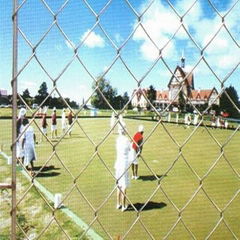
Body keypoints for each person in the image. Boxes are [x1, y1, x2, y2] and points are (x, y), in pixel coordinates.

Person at [114, 123, 131, 212]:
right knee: (124, 185)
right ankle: (124, 205)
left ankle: (118, 203)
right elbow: (129, 150)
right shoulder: (127, 140)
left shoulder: (118, 140)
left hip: (118, 164)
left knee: (118, 184)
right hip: (124, 164)